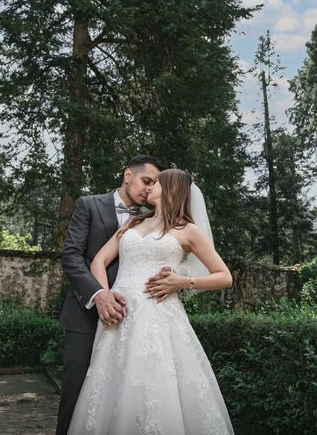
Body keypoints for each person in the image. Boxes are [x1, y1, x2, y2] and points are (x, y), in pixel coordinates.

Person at [67, 168, 234, 435]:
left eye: (156, 183)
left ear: (171, 189)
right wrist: (105, 296)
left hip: (158, 317)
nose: (149, 186)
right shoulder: (132, 224)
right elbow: (100, 260)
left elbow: (224, 276)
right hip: (119, 317)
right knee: (111, 388)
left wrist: (183, 282)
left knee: (154, 387)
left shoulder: (188, 231)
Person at [56, 155, 163, 435]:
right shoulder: (89, 204)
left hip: (130, 322)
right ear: (128, 175)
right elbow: (71, 256)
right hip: (85, 317)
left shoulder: (151, 217)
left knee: (119, 400)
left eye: (154, 185)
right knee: (75, 397)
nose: (149, 189)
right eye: (146, 181)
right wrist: (99, 294)